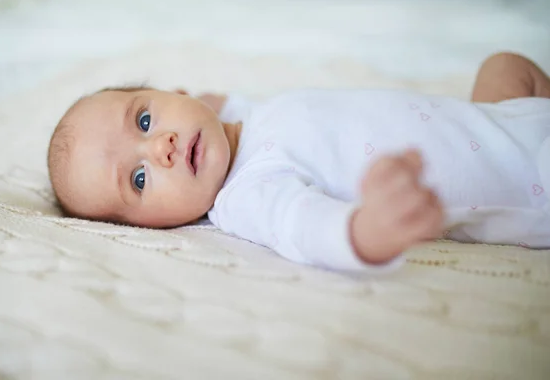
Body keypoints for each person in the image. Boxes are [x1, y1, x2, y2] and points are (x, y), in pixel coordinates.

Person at [48, 52, 550, 272]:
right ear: (150, 227)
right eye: (139, 179)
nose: (162, 147)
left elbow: (216, 104)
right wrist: (364, 230)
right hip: (528, 177)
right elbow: (303, 226)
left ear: (172, 91)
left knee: (506, 67)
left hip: (499, 118)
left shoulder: (240, 117)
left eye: (143, 121)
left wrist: (210, 102)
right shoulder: (247, 193)